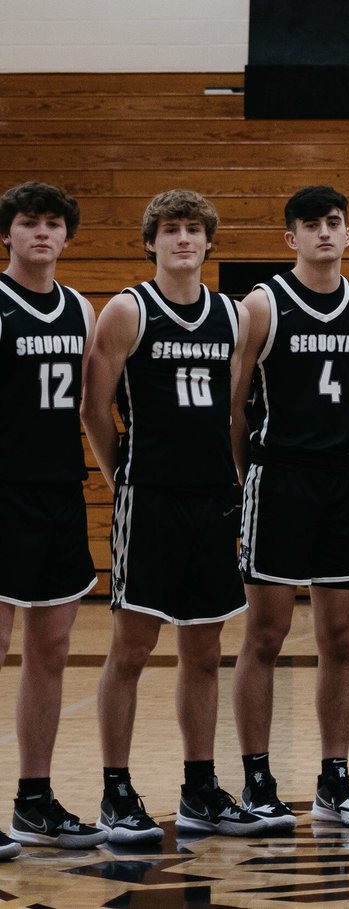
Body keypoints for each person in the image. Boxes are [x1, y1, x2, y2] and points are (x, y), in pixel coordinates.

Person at [81, 189, 268, 843]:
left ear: (209, 242)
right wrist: (122, 481)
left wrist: (236, 485)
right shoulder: (127, 311)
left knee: (204, 649)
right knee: (131, 649)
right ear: (151, 241)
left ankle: (198, 787)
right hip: (150, 499)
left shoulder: (233, 317)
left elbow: (235, 411)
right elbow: (93, 410)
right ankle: (114, 790)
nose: (183, 239)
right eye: (170, 230)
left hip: (212, 498)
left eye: (193, 229)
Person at [231, 186, 349, 830]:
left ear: (348, 234)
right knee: (265, 635)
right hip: (277, 479)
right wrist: (246, 481)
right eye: (310, 225)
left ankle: (334, 779)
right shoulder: (263, 304)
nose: (324, 233)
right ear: (289, 238)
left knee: (341, 639)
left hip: (339, 481)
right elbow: (232, 404)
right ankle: (258, 778)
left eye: (334, 223)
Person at [0, 182, 106, 853]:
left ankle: (33, 801)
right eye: (28, 223)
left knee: (52, 649)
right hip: (2, 493)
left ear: (67, 236)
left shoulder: (80, 310)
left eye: (53, 223)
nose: (42, 233)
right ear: (7, 235)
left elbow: (94, 409)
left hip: (60, 492)